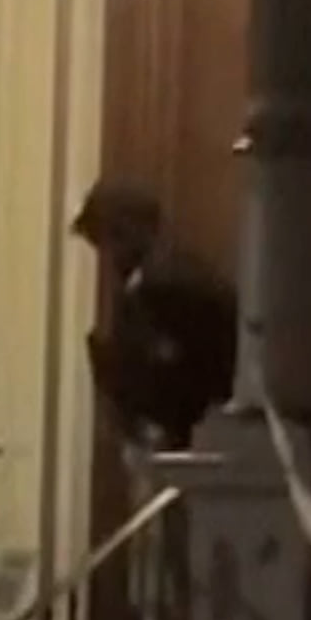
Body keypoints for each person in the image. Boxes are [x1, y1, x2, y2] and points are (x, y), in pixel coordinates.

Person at [72, 179, 237, 449]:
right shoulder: (173, 275)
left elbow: (174, 376)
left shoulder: (163, 286)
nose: (106, 255)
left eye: (105, 240)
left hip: (190, 437)